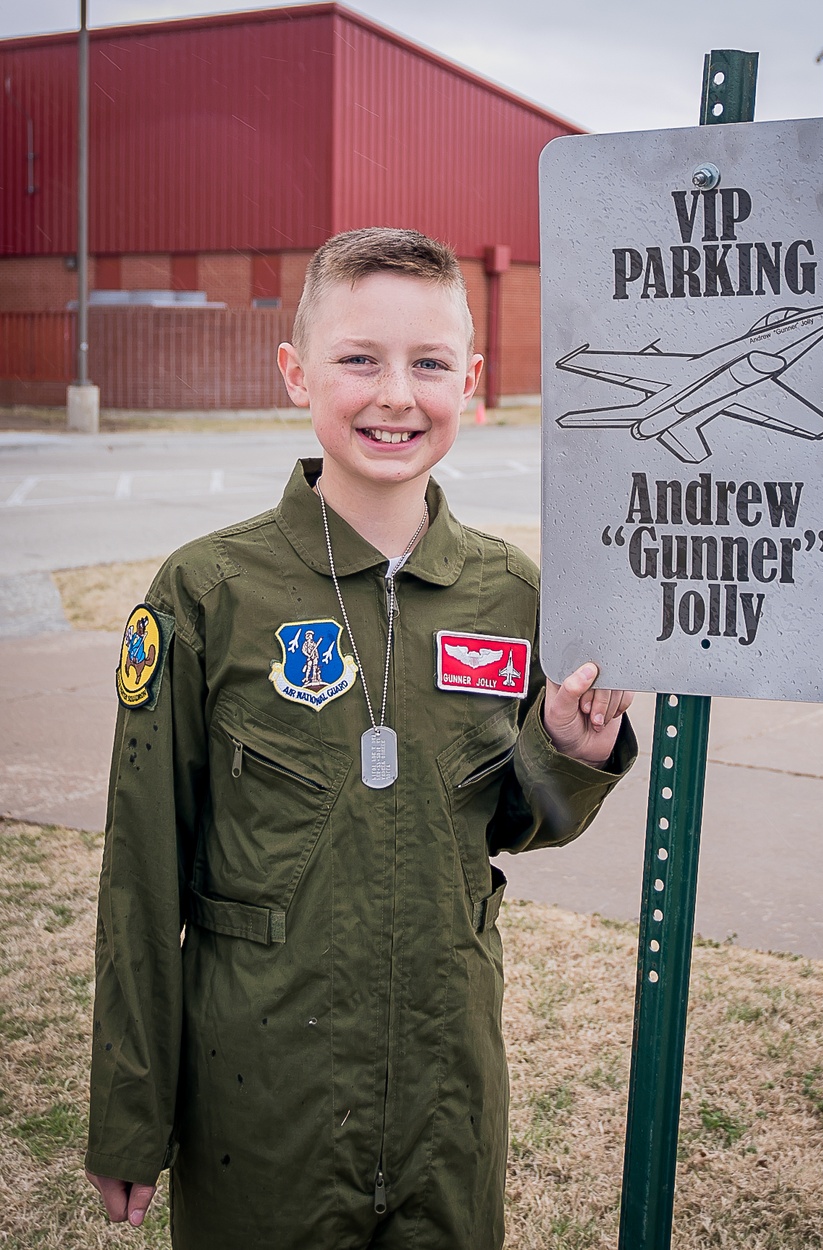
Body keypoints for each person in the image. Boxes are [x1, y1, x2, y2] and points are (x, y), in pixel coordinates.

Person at [85, 227, 636, 1249]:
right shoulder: (209, 594)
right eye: (359, 358)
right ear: (296, 373)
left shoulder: (512, 596)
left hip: (445, 1092)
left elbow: (510, 821)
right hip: (262, 1104)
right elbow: (140, 873)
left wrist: (566, 747)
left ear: (469, 383)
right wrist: (131, 1110)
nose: (397, 394)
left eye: (429, 363)